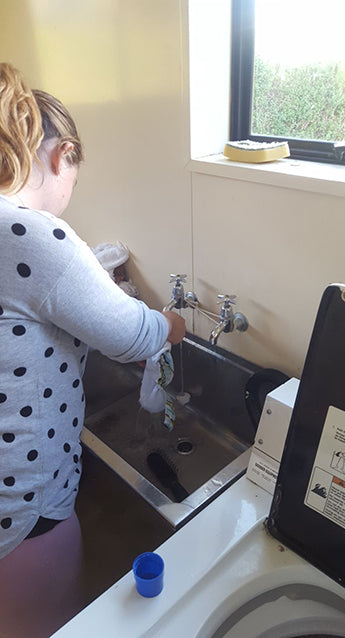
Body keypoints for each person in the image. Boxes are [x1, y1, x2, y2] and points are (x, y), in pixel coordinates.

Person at [0, 62, 185, 638]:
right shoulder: (31, 232)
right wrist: (170, 323)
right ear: (63, 156)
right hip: (22, 497)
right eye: (74, 181)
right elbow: (134, 335)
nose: (66, 202)